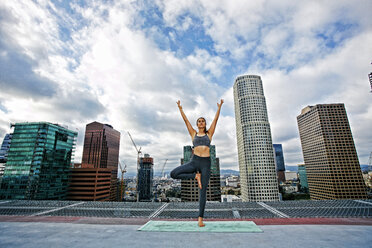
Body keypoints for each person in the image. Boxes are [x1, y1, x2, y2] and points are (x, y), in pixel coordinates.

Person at [170, 99, 224, 227]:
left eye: (203, 121)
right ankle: (195, 176)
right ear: (197, 124)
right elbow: (186, 121)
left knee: (202, 191)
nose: (201, 122)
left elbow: (216, 121)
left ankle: (200, 218)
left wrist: (219, 107)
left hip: (205, 163)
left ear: (205, 124)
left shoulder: (209, 134)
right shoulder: (193, 133)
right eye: (199, 121)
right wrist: (180, 108)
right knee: (173, 173)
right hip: (194, 162)